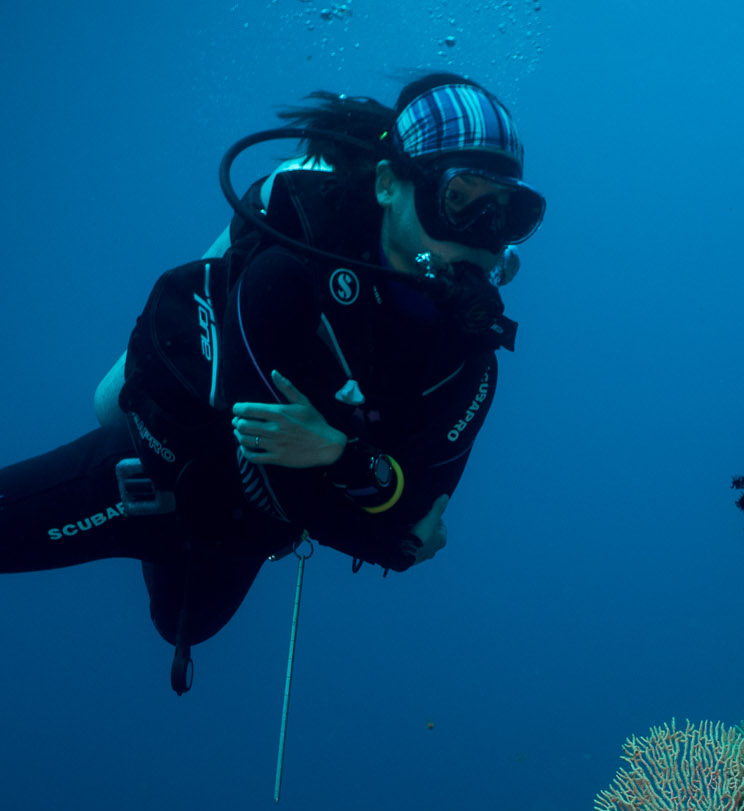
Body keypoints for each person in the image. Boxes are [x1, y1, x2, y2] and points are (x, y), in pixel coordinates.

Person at [0, 73, 544, 692]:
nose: (479, 235)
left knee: (184, 624)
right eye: (460, 199)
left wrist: (337, 457)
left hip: (243, 535)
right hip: (154, 478)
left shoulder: (469, 360)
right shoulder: (292, 270)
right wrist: (367, 484)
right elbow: (294, 485)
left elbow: (410, 530)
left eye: (508, 213)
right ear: (390, 185)